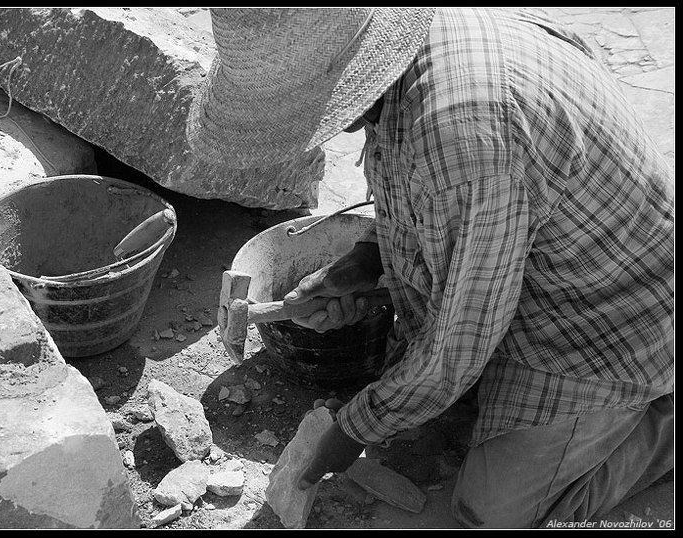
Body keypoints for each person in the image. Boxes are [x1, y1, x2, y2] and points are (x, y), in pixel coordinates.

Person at [186, 8, 674, 528]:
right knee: (443, 408)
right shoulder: (410, 65)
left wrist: (351, 431)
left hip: (614, 320)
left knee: (489, 511)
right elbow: (428, 199)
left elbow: (458, 343)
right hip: (542, 267)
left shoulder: (465, 135)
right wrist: (365, 260)